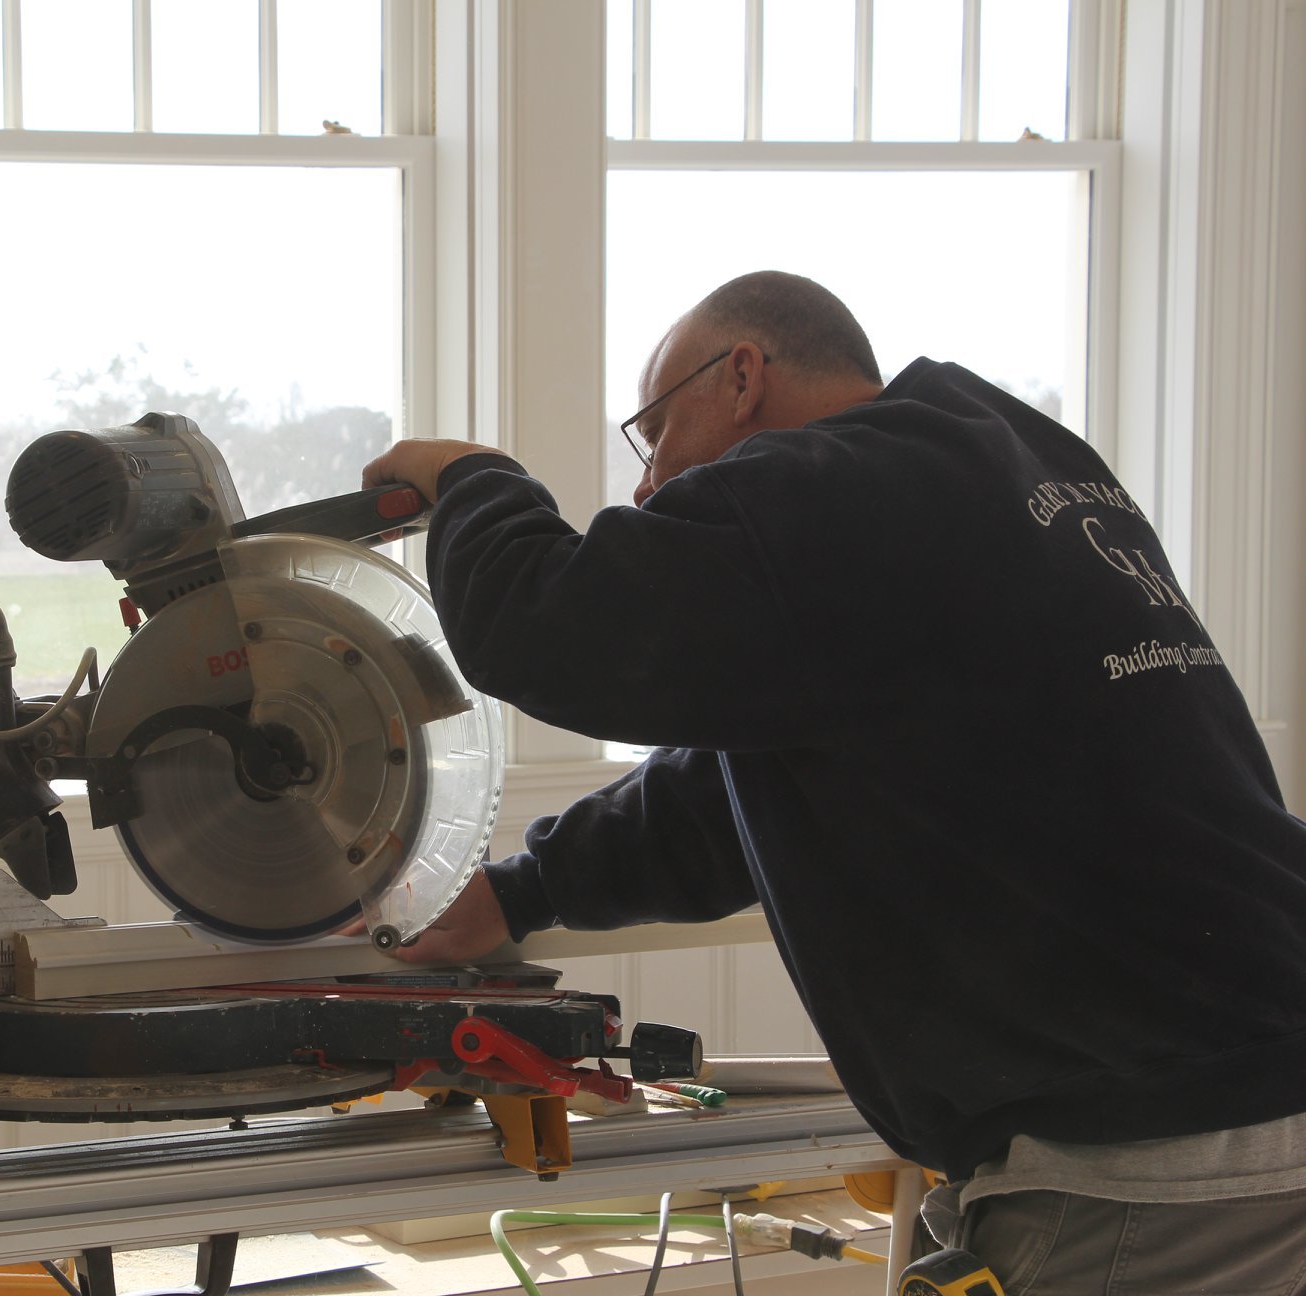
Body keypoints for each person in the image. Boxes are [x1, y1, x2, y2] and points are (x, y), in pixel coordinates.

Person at [361, 271, 1306, 1292]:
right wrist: (520, 891)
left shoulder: (843, 486)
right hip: (1234, 1099)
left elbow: (554, 629)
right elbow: (742, 794)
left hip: (1158, 1166)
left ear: (741, 378)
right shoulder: (982, 471)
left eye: (652, 432)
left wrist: (470, 476)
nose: (644, 487)